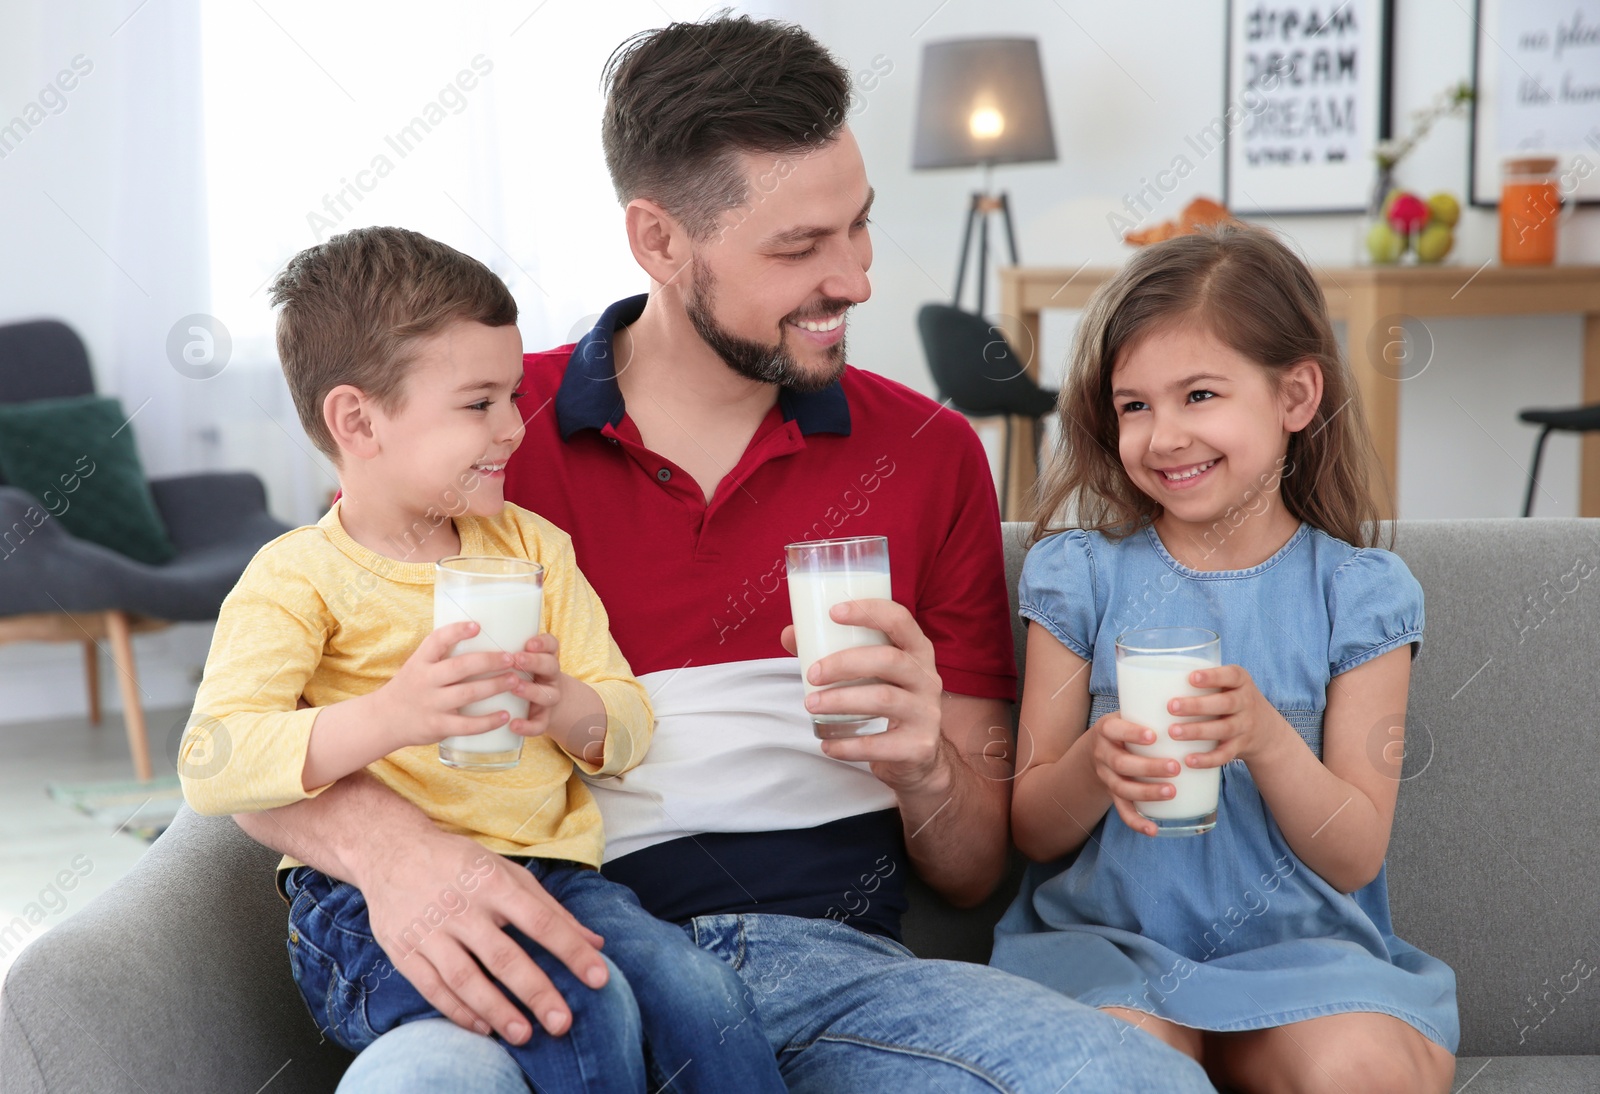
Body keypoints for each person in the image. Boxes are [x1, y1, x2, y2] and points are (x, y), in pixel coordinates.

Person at [230, 14, 1215, 1094]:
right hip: (544, 944)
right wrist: (393, 852)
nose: (855, 281)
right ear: (657, 240)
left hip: (830, 972)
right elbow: (251, 736)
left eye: (859, 228)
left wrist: (924, 757)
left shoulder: (927, 456)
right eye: (798, 248)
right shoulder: (487, 436)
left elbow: (972, 867)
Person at [179, 226, 787, 1092]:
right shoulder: (297, 578)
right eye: (478, 403)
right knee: (584, 1008)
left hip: (559, 876)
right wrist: (392, 716)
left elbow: (624, 716)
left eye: (511, 395)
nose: (514, 424)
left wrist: (566, 706)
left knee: (704, 994)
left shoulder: (533, 549)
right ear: (358, 420)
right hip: (363, 912)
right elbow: (214, 761)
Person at [993, 224, 1459, 1092]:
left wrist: (1268, 739)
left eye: (1199, 395)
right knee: (1118, 1072)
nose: (1164, 435)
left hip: (1300, 957)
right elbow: (1032, 827)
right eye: (1135, 405)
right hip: (1113, 953)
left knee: (1364, 1070)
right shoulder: (1080, 576)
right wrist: (1096, 765)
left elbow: (1354, 853)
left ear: (1296, 395)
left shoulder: (1356, 592)